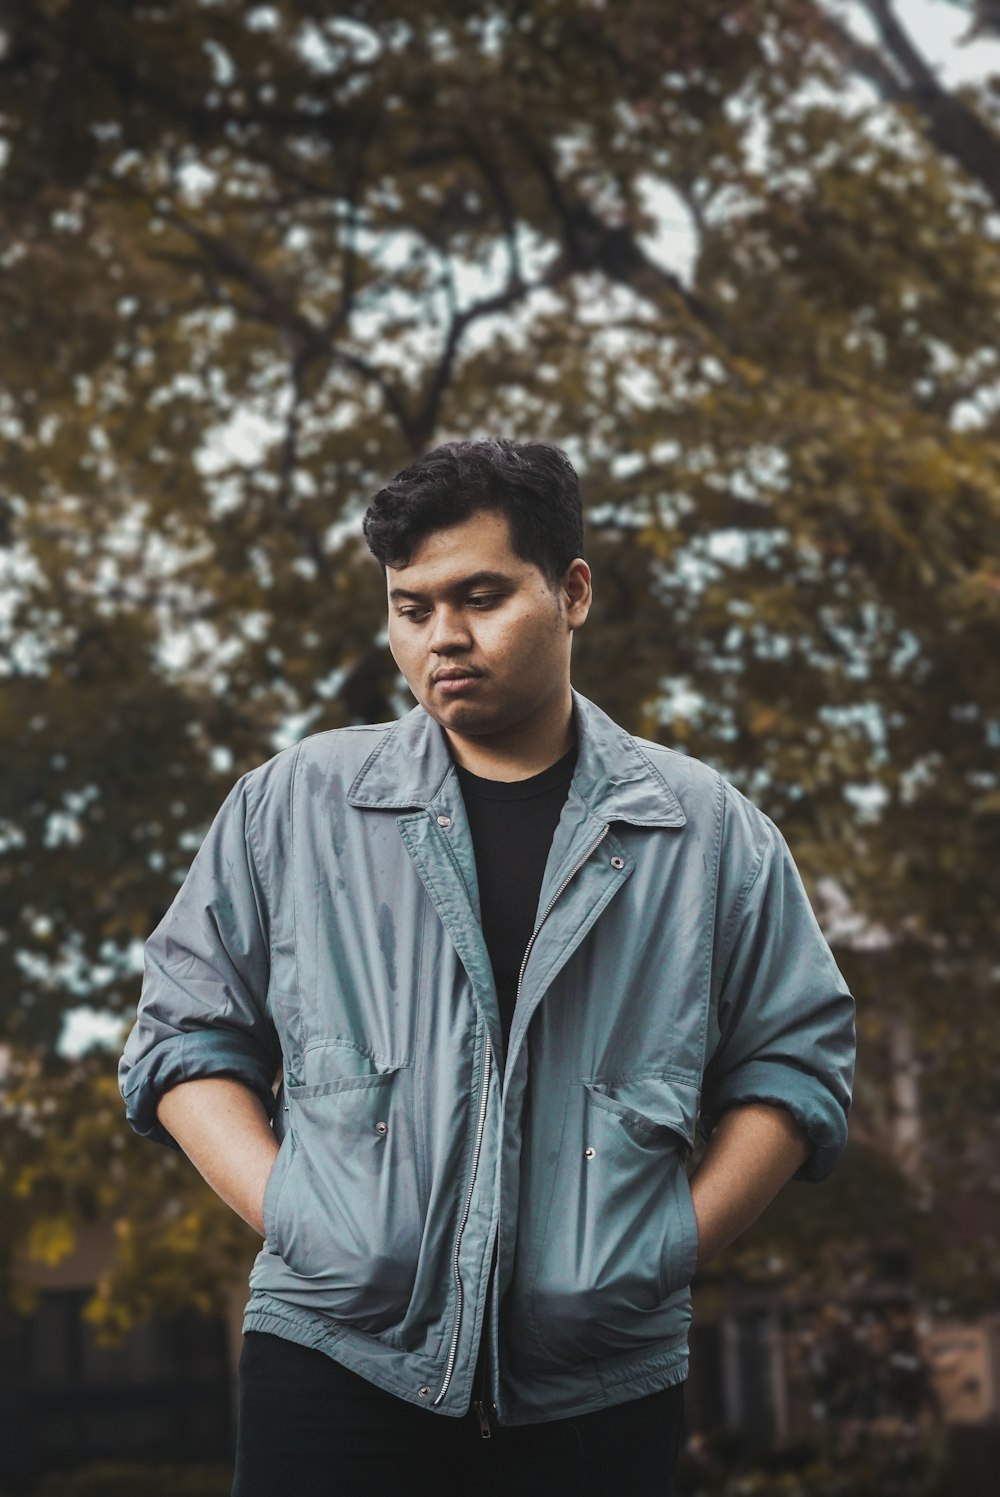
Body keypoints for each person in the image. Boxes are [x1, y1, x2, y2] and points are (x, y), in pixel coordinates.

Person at [118, 437, 856, 1497]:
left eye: (479, 596)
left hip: (601, 1377)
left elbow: (795, 1061)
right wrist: (299, 1217)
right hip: (332, 1358)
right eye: (411, 608)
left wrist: (665, 1246)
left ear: (573, 592)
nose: (442, 638)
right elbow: (185, 1033)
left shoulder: (706, 834)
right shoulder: (294, 804)